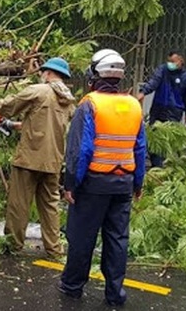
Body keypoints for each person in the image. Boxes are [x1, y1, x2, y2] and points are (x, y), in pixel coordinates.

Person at [59, 49, 146, 306]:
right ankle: (115, 293)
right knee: (118, 238)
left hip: (93, 183)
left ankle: (72, 286)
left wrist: (70, 183)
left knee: (82, 236)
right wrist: (138, 182)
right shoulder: (133, 105)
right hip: (123, 184)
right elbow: (139, 148)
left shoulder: (90, 104)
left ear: (94, 74)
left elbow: (81, 150)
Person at [0, 57, 76, 257]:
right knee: (50, 207)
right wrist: (15, 125)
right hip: (53, 162)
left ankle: (13, 246)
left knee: (19, 205)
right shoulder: (68, 100)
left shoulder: (39, 90)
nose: (41, 75)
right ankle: (54, 249)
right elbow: (48, 125)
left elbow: (12, 104)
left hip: (29, 159)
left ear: (49, 73)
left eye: (43, 72)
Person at [136, 51, 186, 167]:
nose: (169, 64)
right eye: (169, 61)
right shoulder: (163, 70)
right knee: (154, 139)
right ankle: (156, 166)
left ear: (180, 61)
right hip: (158, 110)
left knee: (167, 141)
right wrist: (144, 92)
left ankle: (162, 166)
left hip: (174, 113)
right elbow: (154, 81)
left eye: (173, 61)